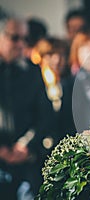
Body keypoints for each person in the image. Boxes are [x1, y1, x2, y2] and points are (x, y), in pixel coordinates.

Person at [0, 17, 55, 199]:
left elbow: (45, 114)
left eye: (26, 39)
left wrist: (25, 144)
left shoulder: (32, 71)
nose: (21, 44)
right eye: (15, 38)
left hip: (26, 160)